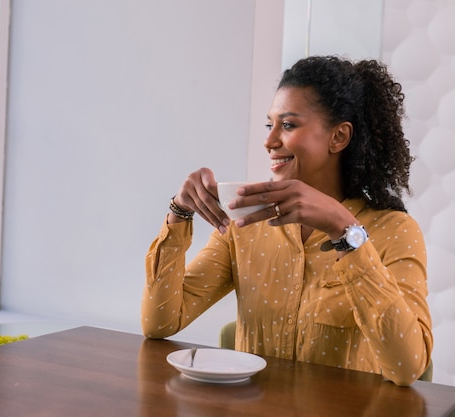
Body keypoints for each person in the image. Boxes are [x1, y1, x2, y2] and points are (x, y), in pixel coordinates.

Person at [141, 55, 433, 386]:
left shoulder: (393, 230)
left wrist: (345, 232)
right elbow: (159, 322)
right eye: (270, 125)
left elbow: (408, 366)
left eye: (289, 125)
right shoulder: (245, 225)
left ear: (338, 137)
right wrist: (180, 211)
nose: (269, 141)